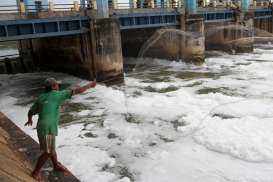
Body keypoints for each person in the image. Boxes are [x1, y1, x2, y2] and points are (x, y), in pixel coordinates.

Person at [25, 77, 96, 180]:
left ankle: (56, 165)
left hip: (42, 126)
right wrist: (90, 85)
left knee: (51, 148)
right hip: (48, 127)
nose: (58, 86)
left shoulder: (41, 97)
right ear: (54, 86)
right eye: (57, 84)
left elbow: (31, 111)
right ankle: (35, 172)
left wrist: (30, 119)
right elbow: (78, 91)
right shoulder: (58, 94)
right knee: (48, 151)